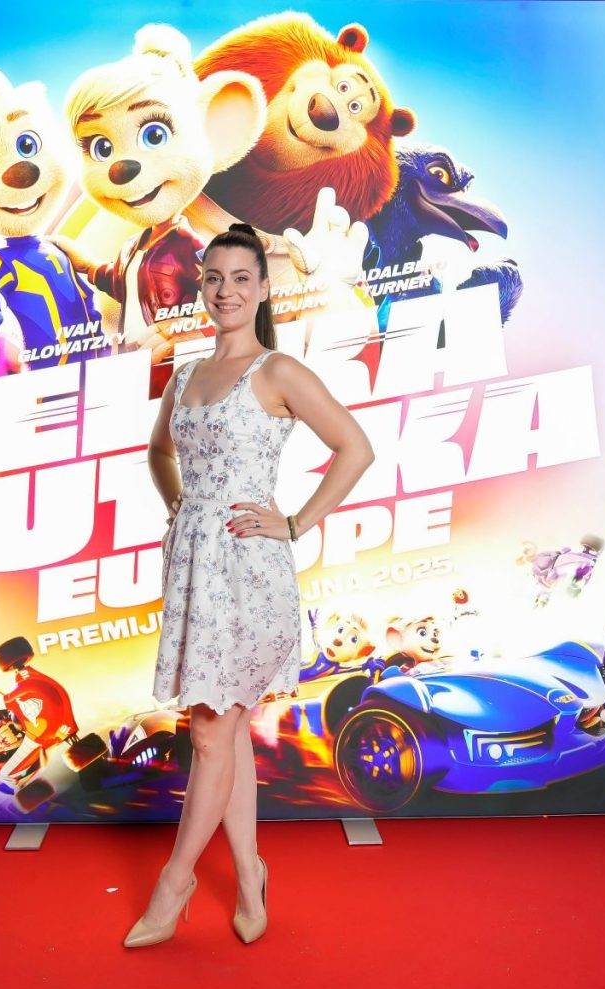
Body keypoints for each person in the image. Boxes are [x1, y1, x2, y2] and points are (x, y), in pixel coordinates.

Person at [125, 222, 374, 947]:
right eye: (214, 278)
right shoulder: (184, 375)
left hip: (251, 575)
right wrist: (182, 507)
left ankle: (173, 885)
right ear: (201, 287)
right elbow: (159, 451)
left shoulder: (277, 371)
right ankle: (249, 875)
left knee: (211, 731)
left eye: (241, 278)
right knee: (223, 731)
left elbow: (355, 448)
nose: (226, 291)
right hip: (196, 570)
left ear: (264, 288)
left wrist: (294, 523)